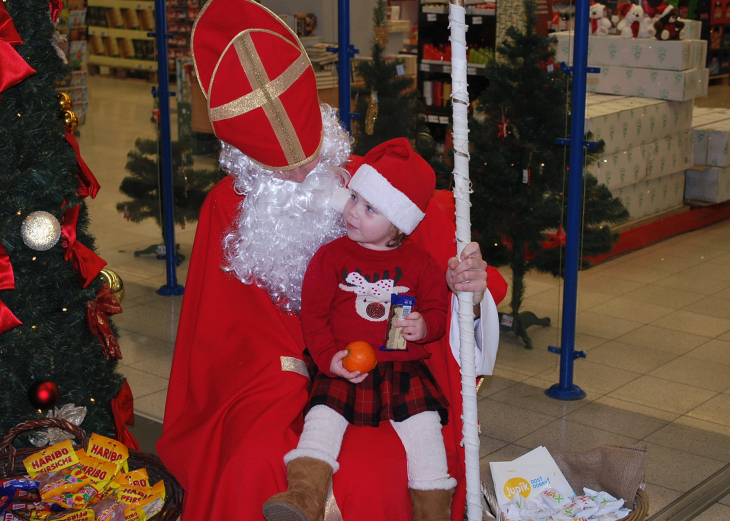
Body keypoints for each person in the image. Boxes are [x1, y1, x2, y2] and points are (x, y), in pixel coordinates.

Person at [157, 1, 508, 520]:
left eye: (311, 162)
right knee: (250, 462)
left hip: (383, 374)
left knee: (378, 468)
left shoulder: (370, 186)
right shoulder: (225, 209)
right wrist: (297, 370)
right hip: (264, 384)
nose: (302, 181)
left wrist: (470, 291)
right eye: (282, 173)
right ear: (245, 162)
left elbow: (442, 275)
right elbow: (215, 346)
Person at [263, 139, 457, 521]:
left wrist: (424, 326)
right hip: (344, 363)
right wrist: (327, 360)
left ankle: (433, 513)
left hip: (403, 368)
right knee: (322, 420)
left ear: (399, 223)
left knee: (426, 432)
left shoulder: (419, 263)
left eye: (370, 208)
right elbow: (314, 318)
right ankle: (302, 495)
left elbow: (437, 310)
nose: (353, 212)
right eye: (354, 199)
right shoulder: (331, 256)